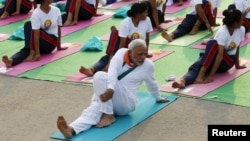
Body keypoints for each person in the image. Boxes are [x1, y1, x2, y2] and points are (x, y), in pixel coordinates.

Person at [57, 39, 169, 139]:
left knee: (100, 76)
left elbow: (152, 83)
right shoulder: (120, 53)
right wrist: (110, 89)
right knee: (93, 109)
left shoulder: (148, 65)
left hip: (126, 102)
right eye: (139, 54)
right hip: (110, 98)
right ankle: (71, 129)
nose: (143, 57)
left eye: (145, 54)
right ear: (130, 53)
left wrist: (158, 97)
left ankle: (108, 115)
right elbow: (112, 72)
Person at [172, 9, 247, 89]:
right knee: (199, 64)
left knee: (212, 44)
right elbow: (219, 55)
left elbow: (237, 47)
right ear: (234, 23)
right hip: (216, 58)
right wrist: (210, 74)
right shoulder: (222, 32)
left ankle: (201, 74)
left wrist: (237, 64)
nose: (242, 21)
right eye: (241, 20)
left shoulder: (241, 30)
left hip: (227, 62)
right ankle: (183, 81)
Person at [79, 2, 153, 77]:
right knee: (113, 43)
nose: (147, 14)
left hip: (139, 48)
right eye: (145, 12)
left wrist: (145, 52)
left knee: (115, 34)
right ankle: (93, 69)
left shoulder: (147, 20)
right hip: (128, 47)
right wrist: (120, 57)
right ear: (138, 14)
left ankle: (103, 65)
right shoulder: (126, 23)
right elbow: (122, 43)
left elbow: (147, 39)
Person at [2, 0, 67, 67]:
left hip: (51, 43)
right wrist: (36, 51)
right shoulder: (36, 13)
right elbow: (35, 34)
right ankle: (12, 60)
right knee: (27, 48)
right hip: (40, 43)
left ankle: (32, 52)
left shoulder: (56, 10)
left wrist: (58, 46)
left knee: (29, 25)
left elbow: (58, 29)